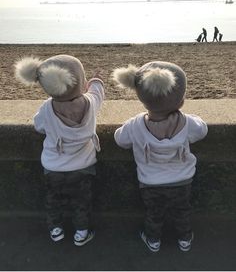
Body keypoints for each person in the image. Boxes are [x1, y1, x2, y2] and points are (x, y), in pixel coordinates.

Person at [112, 61, 208, 252]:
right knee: (183, 211)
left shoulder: (135, 125)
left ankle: (153, 240)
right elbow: (202, 130)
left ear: (141, 98)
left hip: (150, 183)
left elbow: (120, 140)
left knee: (153, 213)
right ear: (181, 102)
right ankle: (185, 239)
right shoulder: (187, 123)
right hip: (182, 181)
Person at [14, 54, 104, 246]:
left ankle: (56, 230)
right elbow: (98, 92)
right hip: (83, 167)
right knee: (82, 202)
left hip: (53, 168)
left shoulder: (47, 108)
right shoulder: (90, 103)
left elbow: (38, 126)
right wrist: (96, 80)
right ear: (81, 83)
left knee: (53, 199)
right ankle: (81, 233)